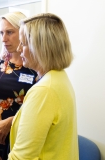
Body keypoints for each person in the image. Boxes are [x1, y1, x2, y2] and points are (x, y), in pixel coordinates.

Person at [8, 13, 78, 160]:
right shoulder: (59, 77)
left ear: (39, 47)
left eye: (24, 43)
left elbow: (21, 157)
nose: (19, 49)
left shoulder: (44, 91)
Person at [0, 12, 37, 160]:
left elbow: (36, 107)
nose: (4, 39)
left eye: (10, 32)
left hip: (20, 133)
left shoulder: (35, 65)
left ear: (23, 33)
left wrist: (9, 123)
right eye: (1, 33)